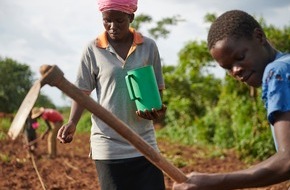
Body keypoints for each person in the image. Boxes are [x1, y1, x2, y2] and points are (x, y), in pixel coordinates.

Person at [173, 9, 290, 190]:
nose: (235, 71)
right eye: (227, 68)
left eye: (239, 57)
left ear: (259, 37)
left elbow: (287, 160)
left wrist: (212, 182)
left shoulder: (277, 73)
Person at [57, 0, 167, 189]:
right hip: (108, 144)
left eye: (119, 20)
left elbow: (156, 88)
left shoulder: (148, 46)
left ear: (131, 17)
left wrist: (155, 110)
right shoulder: (93, 48)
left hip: (144, 142)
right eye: (107, 20)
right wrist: (72, 122)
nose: (112, 26)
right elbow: (82, 91)